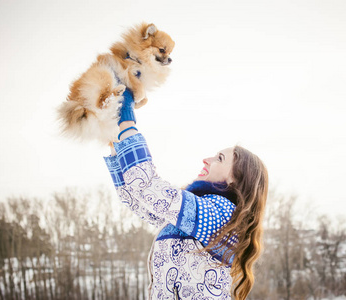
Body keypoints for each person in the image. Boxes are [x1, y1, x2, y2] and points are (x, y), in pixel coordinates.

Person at [104, 89, 269, 300]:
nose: (207, 160)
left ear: (235, 179)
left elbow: (147, 186)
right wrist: (114, 133)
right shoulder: (197, 213)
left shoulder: (220, 213)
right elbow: (137, 199)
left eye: (219, 158)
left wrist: (127, 118)